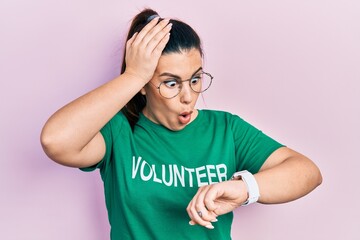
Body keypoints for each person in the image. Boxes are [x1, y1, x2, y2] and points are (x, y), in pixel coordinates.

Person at [40, 8, 322, 240]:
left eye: (196, 79)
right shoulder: (119, 132)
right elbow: (56, 140)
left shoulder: (225, 130)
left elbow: (307, 172)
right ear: (143, 85)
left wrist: (245, 188)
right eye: (170, 83)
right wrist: (133, 76)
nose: (188, 97)